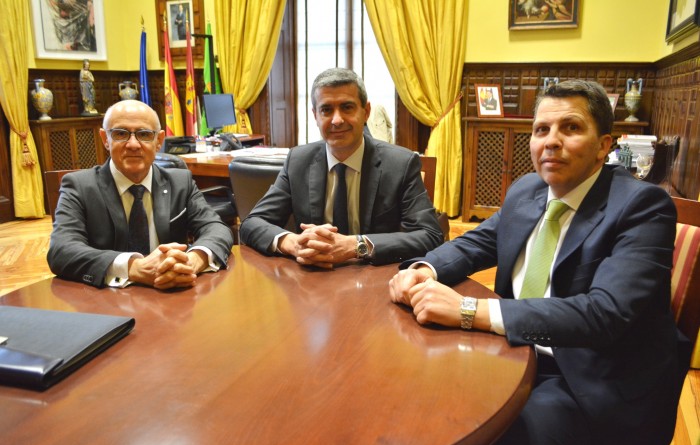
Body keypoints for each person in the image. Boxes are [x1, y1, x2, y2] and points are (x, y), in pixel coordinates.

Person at [389, 80, 686, 445]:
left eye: (571, 128)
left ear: (603, 146)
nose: (551, 141)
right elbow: (476, 243)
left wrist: (468, 310)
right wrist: (423, 269)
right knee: (413, 403)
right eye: (541, 130)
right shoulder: (528, 189)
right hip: (509, 352)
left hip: (585, 378)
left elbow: (605, 313)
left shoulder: (643, 206)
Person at [239, 68, 443, 267]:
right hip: (312, 281)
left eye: (347, 107)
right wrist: (293, 244)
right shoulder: (298, 161)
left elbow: (430, 235)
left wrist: (357, 245)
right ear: (315, 116)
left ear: (366, 112)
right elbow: (252, 223)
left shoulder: (400, 164)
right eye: (326, 110)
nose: (337, 120)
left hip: (376, 280)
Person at [47, 100, 234, 290]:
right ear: (105, 138)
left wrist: (191, 261)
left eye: (144, 135)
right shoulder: (79, 186)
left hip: (174, 297)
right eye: (121, 134)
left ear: (159, 140)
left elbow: (216, 228)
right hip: (108, 301)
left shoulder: (180, 182)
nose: (133, 144)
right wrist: (134, 267)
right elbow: (62, 250)